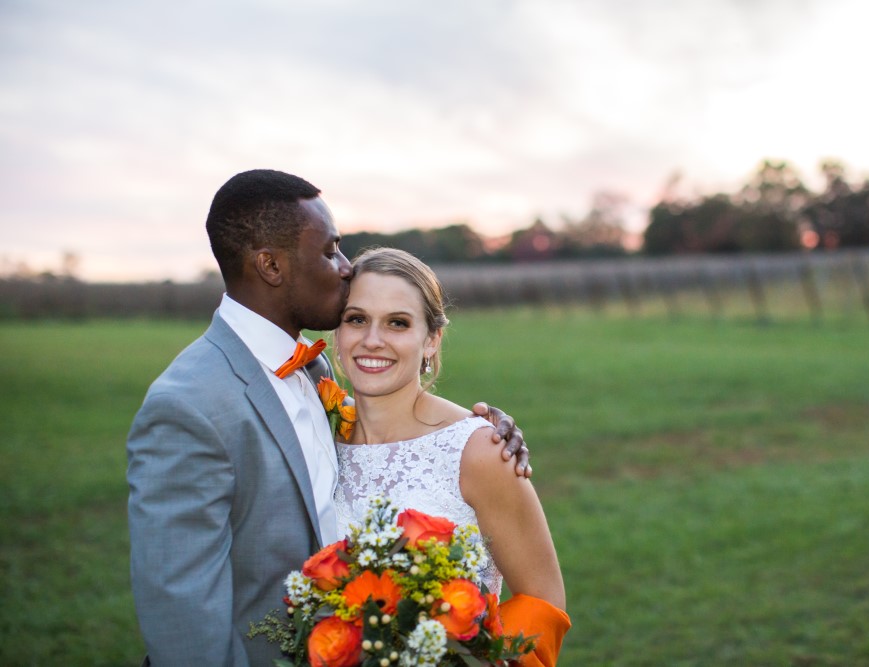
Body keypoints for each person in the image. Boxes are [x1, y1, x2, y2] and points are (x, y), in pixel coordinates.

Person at [126, 169, 530, 667]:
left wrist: (484, 434)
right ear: (271, 266)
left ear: (431, 338)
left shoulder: (314, 370)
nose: (344, 267)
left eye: (397, 323)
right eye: (329, 250)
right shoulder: (188, 405)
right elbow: (178, 607)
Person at [332, 247, 570, 667]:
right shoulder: (317, 433)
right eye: (357, 319)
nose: (372, 339)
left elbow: (542, 600)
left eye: (398, 323)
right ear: (338, 331)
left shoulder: (479, 450)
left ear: (431, 340)